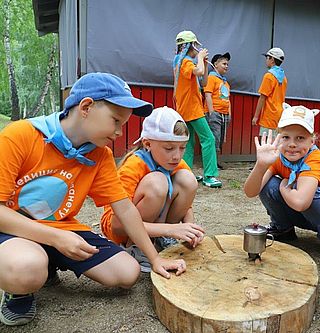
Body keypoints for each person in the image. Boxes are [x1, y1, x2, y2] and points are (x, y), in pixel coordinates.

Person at [0, 73, 186, 326]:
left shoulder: (100, 155)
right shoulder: (20, 135)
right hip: (12, 229)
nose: (120, 132)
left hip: (60, 227)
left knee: (127, 273)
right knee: (27, 268)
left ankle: (50, 258)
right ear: (86, 107)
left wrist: (155, 259)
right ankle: (19, 290)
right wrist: (56, 238)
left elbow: (125, 209)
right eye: (116, 121)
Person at [100, 106, 205, 272]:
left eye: (182, 147)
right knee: (158, 182)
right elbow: (117, 225)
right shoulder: (133, 166)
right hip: (122, 230)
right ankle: (135, 247)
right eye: (169, 148)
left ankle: (160, 240)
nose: (177, 156)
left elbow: (187, 205)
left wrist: (189, 231)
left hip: (153, 223)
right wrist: (172, 229)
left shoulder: (176, 162)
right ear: (147, 143)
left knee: (188, 180)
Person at [244, 104, 320, 264]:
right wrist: (261, 165)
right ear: (279, 138)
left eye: (300, 138)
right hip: (299, 211)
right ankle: (282, 228)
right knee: (268, 184)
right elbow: (251, 192)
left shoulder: (314, 160)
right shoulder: (277, 156)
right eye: (286, 137)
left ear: (312, 141)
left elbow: (301, 203)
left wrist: (284, 187)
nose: (292, 144)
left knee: (310, 189)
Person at [173, 30, 222, 188]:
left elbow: (204, 82)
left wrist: (204, 63)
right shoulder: (186, 62)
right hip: (192, 109)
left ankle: (185, 173)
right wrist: (201, 59)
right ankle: (209, 176)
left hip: (186, 108)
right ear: (190, 46)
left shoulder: (181, 61)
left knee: (188, 142)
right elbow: (198, 72)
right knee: (208, 139)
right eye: (196, 46)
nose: (197, 50)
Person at [204, 52, 231, 169]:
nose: (226, 66)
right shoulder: (211, 78)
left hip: (224, 114)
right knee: (214, 137)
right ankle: (212, 163)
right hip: (215, 113)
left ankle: (215, 160)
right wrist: (211, 112)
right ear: (215, 64)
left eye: (227, 64)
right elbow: (208, 95)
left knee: (219, 139)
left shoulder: (225, 82)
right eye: (224, 63)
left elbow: (227, 99)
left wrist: (229, 113)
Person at [252, 47, 288, 136]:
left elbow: (262, 97)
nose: (266, 60)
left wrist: (256, 116)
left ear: (272, 59)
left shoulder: (269, 76)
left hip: (269, 116)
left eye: (267, 57)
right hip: (279, 116)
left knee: (267, 145)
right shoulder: (284, 78)